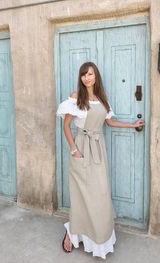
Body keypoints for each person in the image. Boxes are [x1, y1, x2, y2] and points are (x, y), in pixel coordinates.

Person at [56, 62, 144, 259]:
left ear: (96, 76)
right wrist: (74, 150)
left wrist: (132, 125)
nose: (87, 78)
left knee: (100, 195)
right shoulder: (76, 97)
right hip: (82, 148)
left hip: (98, 149)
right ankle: (72, 233)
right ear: (81, 78)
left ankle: (99, 239)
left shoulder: (102, 98)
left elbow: (109, 122)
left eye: (90, 74)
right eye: (84, 75)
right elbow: (67, 127)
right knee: (81, 195)